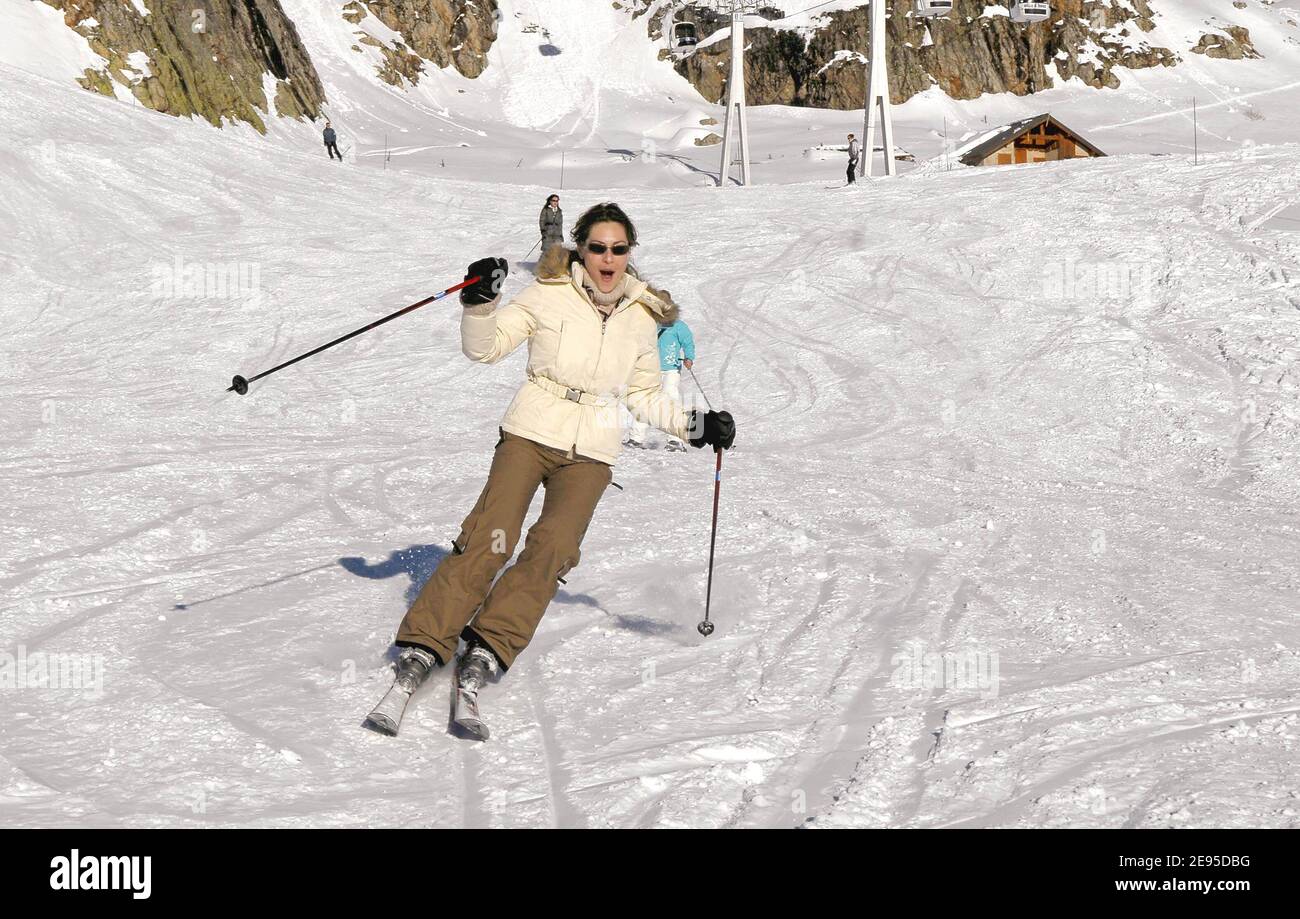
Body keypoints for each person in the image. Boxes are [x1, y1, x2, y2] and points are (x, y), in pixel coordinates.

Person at [388, 202, 736, 702]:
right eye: (598, 247)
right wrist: (480, 303)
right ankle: (426, 641)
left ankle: (491, 641)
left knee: (553, 550)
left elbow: (641, 395)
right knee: (492, 536)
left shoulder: (641, 317)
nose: (608, 258)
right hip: (532, 429)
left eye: (618, 248)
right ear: (581, 248)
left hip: (592, 447)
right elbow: (485, 348)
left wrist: (694, 425)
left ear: (629, 252)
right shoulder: (548, 294)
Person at [626, 312, 695, 450]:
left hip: (670, 370)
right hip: (650, 370)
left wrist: (689, 357)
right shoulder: (649, 324)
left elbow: (688, 342)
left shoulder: (678, 326)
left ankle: (675, 440)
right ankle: (636, 438)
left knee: (671, 401)